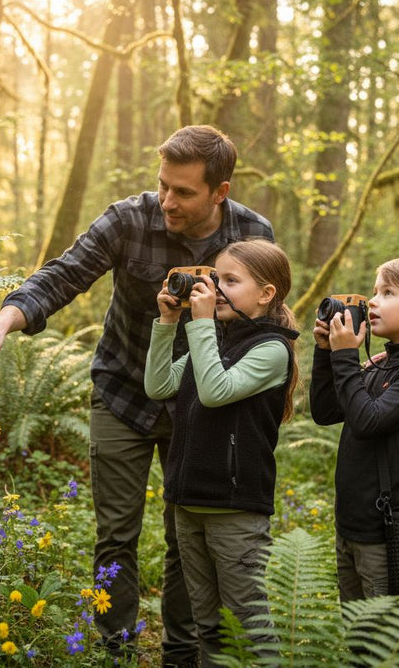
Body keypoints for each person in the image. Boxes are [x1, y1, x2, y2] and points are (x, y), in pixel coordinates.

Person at [0, 125, 274, 667]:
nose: (168, 200)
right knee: (116, 533)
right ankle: (115, 650)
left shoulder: (252, 233)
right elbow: (63, 274)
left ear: (220, 191)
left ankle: (180, 654)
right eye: (163, 185)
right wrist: (3, 323)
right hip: (122, 393)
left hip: (199, 405)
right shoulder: (129, 218)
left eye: (184, 192)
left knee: (184, 538)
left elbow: (263, 321)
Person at [144, 238, 299, 666]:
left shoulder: (270, 349)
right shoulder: (216, 339)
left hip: (234, 508)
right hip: (188, 500)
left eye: (230, 280)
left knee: (246, 624)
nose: (215, 287)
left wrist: (201, 324)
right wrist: (167, 322)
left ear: (266, 294)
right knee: (208, 622)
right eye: (215, 277)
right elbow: (158, 386)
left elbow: (214, 392)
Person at [310, 256, 399, 601]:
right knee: (358, 634)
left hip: (388, 531)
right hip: (351, 524)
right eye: (374, 291)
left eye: (388, 293)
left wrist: (346, 356)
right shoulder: (382, 364)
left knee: (387, 643)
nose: (372, 301)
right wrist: (325, 353)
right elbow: (326, 411)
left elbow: (367, 421)